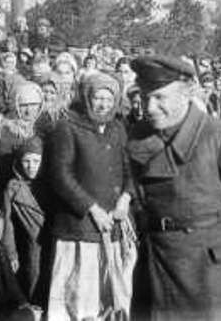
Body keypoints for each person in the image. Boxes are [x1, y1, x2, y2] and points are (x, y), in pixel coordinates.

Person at [127, 55, 221, 321]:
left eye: (160, 97)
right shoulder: (136, 137)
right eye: (145, 97)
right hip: (155, 270)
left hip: (209, 274)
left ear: (186, 94)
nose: (150, 107)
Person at [47, 71, 136, 321]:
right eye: (98, 98)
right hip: (80, 226)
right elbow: (61, 176)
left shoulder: (118, 128)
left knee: (110, 295)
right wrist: (92, 209)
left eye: (109, 99)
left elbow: (131, 169)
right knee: (79, 295)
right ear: (87, 98)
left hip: (113, 223)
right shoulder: (67, 127)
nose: (103, 104)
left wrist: (125, 198)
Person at [3, 137, 54, 306]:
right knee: (34, 283)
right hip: (32, 246)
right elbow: (7, 222)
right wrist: (11, 253)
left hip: (55, 242)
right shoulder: (13, 187)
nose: (31, 166)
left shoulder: (53, 183)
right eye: (26, 161)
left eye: (36, 161)